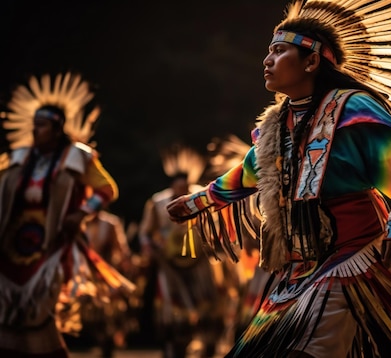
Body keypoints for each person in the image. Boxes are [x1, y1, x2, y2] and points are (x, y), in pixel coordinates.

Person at [167, 1, 391, 357]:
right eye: (268, 52)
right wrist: (197, 202)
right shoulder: (275, 125)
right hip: (298, 267)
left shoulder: (351, 106)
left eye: (279, 51)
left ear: (311, 62)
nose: (267, 60)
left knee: (310, 350)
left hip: (351, 255)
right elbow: (250, 173)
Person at [0, 72, 134, 357]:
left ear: (57, 128)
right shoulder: (20, 158)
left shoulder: (77, 156)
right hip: (12, 245)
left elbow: (106, 190)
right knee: (9, 315)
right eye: (33, 125)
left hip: (53, 244)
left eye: (42, 125)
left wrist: (81, 213)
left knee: (38, 312)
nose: (35, 131)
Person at [138, 144, 241, 358]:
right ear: (172, 186)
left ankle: (208, 346)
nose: (181, 191)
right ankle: (174, 346)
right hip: (169, 266)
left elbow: (218, 226)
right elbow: (145, 233)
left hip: (201, 264)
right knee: (174, 316)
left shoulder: (201, 197)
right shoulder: (157, 203)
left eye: (184, 188)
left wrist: (218, 245)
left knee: (209, 312)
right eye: (178, 188)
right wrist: (151, 247)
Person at [79, 209, 136, 357]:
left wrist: (126, 263)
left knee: (109, 316)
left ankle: (107, 345)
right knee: (91, 317)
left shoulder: (110, 223)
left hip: (106, 276)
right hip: (85, 276)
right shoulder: (80, 222)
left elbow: (121, 250)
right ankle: (101, 342)